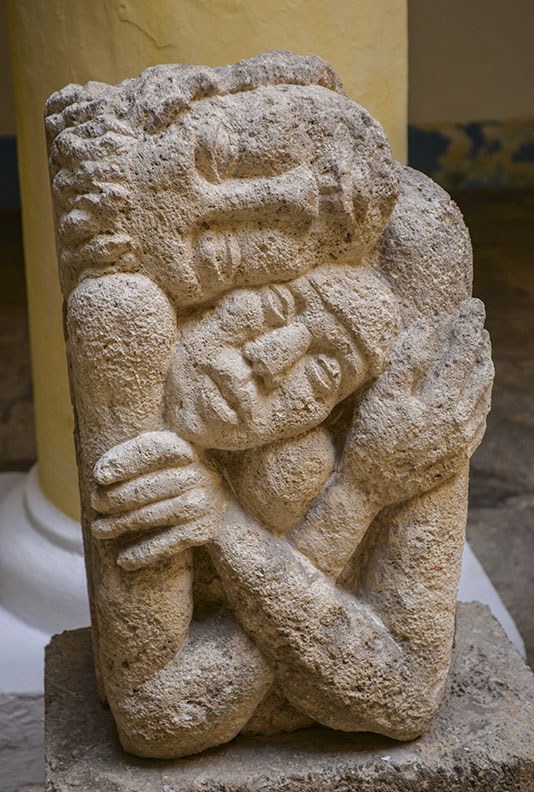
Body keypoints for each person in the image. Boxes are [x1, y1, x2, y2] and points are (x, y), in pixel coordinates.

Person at [47, 54, 493, 758]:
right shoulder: (129, 325)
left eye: (219, 156)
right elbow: (158, 711)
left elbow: (408, 687)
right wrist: (357, 493)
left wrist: (237, 538)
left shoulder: (412, 243)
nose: (295, 197)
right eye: (221, 257)